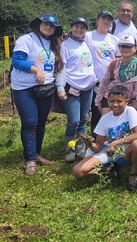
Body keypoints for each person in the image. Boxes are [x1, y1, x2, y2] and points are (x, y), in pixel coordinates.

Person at [11, 13, 64, 175]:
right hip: (24, 87)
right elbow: (17, 61)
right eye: (46, 24)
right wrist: (35, 70)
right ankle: (30, 160)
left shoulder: (53, 44)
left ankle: (37, 154)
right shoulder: (27, 39)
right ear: (38, 24)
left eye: (52, 26)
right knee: (30, 123)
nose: (49, 27)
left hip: (45, 88)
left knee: (41, 123)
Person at [72, 85, 137, 191]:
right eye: (111, 101)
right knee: (78, 171)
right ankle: (108, 169)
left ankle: (133, 175)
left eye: (119, 101)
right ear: (108, 101)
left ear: (127, 101)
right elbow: (97, 147)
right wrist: (90, 144)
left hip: (125, 151)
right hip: (107, 151)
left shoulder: (130, 111)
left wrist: (115, 143)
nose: (115, 104)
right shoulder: (105, 119)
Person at [56, 18, 98, 163]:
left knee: (83, 119)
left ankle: (81, 149)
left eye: (82, 28)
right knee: (73, 120)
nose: (79, 30)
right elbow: (62, 67)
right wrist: (60, 87)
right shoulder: (65, 45)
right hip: (72, 86)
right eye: (76, 27)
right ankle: (69, 149)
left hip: (88, 87)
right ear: (71, 27)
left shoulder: (86, 43)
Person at [95, 34, 137, 118]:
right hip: (110, 98)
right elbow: (104, 82)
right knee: (107, 125)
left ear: (135, 48)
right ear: (119, 48)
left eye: (129, 47)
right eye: (123, 47)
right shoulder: (114, 63)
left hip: (129, 100)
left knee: (135, 125)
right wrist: (98, 100)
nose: (126, 49)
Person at [85, 10, 120, 137]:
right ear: (98, 20)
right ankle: (95, 139)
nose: (106, 21)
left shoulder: (115, 39)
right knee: (96, 111)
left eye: (109, 19)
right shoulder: (88, 36)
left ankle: (109, 138)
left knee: (111, 109)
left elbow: (118, 60)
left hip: (111, 81)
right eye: (103, 18)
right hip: (93, 80)